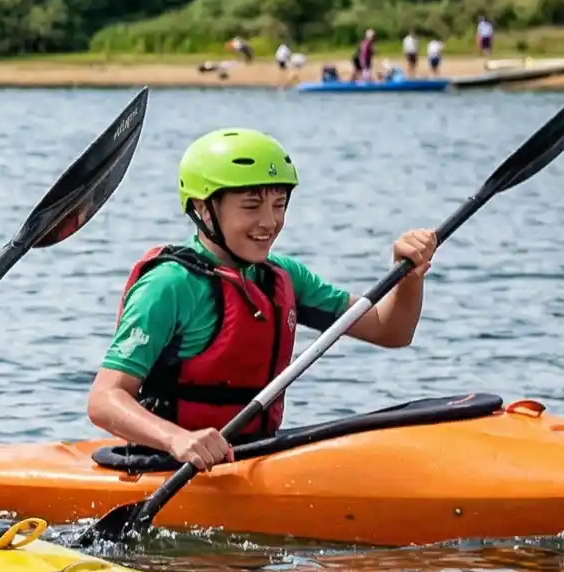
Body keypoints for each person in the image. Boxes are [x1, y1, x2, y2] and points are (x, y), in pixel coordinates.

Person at [87, 129, 436, 468]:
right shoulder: (168, 285)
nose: (269, 222)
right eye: (252, 206)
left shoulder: (283, 276)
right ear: (203, 209)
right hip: (168, 463)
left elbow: (391, 331)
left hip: (255, 455)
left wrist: (409, 276)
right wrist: (175, 439)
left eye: (279, 204)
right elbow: (104, 400)